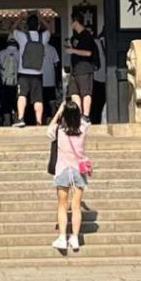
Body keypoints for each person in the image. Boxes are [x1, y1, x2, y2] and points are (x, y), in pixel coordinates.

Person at [46, 100, 90, 251]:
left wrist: (59, 111)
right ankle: (75, 238)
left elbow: (49, 130)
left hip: (63, 170)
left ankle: (62, 237)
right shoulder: (83, 129)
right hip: (79, 171)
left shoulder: (59, 130)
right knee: (76, 206)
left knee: (62, 205)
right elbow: (84, 120)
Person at [12, 11, 51, 127]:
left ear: (27, 26)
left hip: (23, 72)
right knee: (38, 99)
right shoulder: (43, 37)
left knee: (22, 95)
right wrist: (41, 18)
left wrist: (20, 18)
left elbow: (13, 29)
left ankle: (21, 118)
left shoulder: (22, 37)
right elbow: (50, 29)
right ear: (38, 26)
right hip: (38, 72)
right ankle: (39, 122)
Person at [64, 13, 97, 118]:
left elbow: (88, 53)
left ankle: (86, 116)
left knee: (85, 93)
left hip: (84, 68)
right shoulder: (75, 36)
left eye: (71, 21)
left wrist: (73, 51)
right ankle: (79, 115)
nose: (70, 24)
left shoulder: (86, 35)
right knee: (74, 93)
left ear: (76, 22)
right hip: (75, 69)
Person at [0, 41, 20, 126]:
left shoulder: (1, 53)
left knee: (5, 104)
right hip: (16, 83)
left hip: (4, 83)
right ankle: (17, 121)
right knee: (16, 104)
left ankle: (7, 123)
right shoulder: (19, 53)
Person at [91, 29, 107, 125]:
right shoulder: (99, 42)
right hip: (102, 76)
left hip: (98, 76)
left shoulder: (96, 42)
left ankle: (96, 120)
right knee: (100, 102)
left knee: (97, 103)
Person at [41, 40, 61, 118]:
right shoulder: (52, 49)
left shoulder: (37, 48)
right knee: (52, 103)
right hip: (50, 81)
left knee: (40, 104)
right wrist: (56, 80)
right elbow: (56, 64)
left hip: (40, 81)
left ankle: (41, 121)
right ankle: (53, 120)